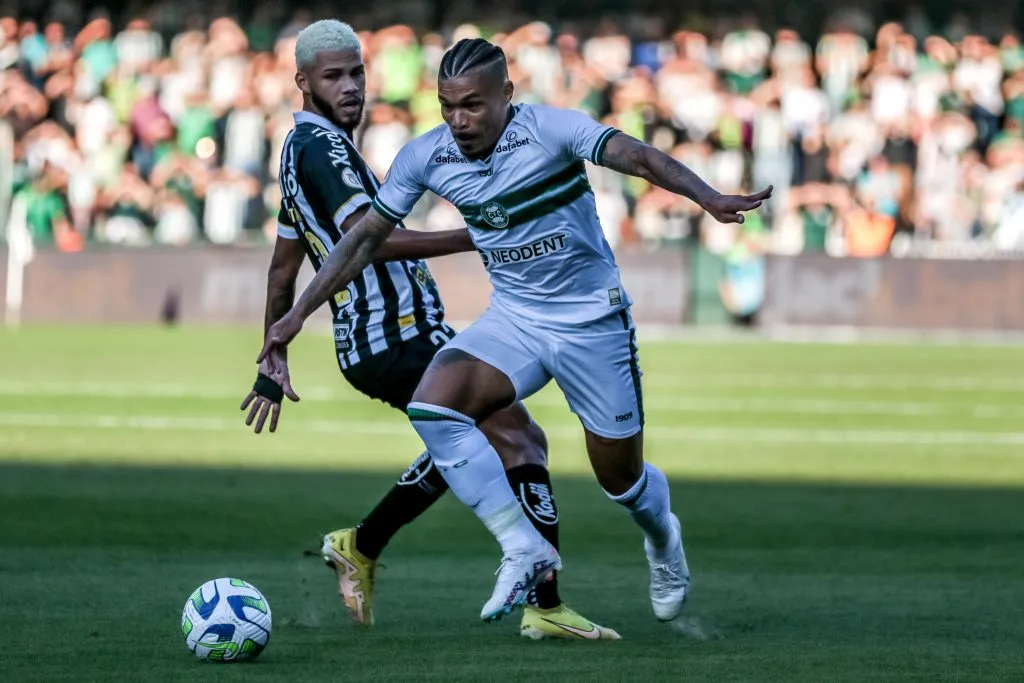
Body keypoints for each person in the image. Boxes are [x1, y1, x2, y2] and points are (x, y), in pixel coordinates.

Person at [260, 35, 772, 624]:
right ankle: (523, 548)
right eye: (447, 106)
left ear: (507, 94)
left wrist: (704, 195)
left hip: (590, 321)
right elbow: (363, 240)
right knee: (435, 407)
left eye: (472, 106)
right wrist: (294, 319)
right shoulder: (426, 155)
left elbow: (638, 155)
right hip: (515, 319)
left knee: (621, 481)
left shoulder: (552, 130)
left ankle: (663, 539)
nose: (458, 121)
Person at [240, 20, 618, 640]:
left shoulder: (303, 153)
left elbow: (285, 266)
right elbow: (372, 241)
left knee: (480, 438)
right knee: (519, 439)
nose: (351, 86)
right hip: (390, 334)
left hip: (393, 335)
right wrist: (481, 231)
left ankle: (363, 544)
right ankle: (544, 607)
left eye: (357, 72)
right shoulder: (323, 150)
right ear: (302, 83)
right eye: (334, 77)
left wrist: (269, 358)